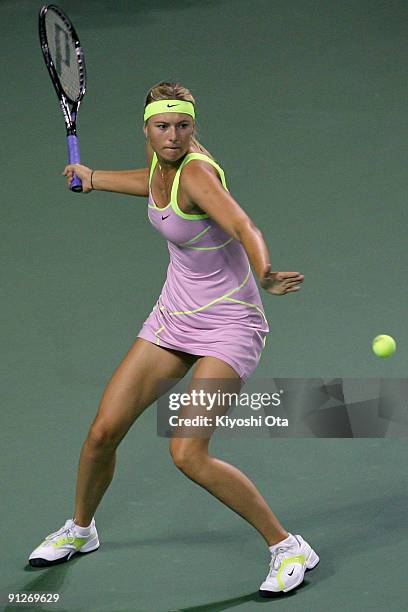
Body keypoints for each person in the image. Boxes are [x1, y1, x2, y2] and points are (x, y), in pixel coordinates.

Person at [28, 81, 319, 595]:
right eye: (163, 126)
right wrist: (94, 177)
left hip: (230, 324)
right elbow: (154, 183)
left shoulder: (199, 174)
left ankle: (287, 545)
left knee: (187, 452)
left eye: (183, 126)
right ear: (147, 128)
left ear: (192, 126)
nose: (173, 135)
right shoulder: (163, 167)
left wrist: (266, 270)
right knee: (103, 432)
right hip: (174, 317)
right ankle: (80, 529)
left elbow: (242, 223)